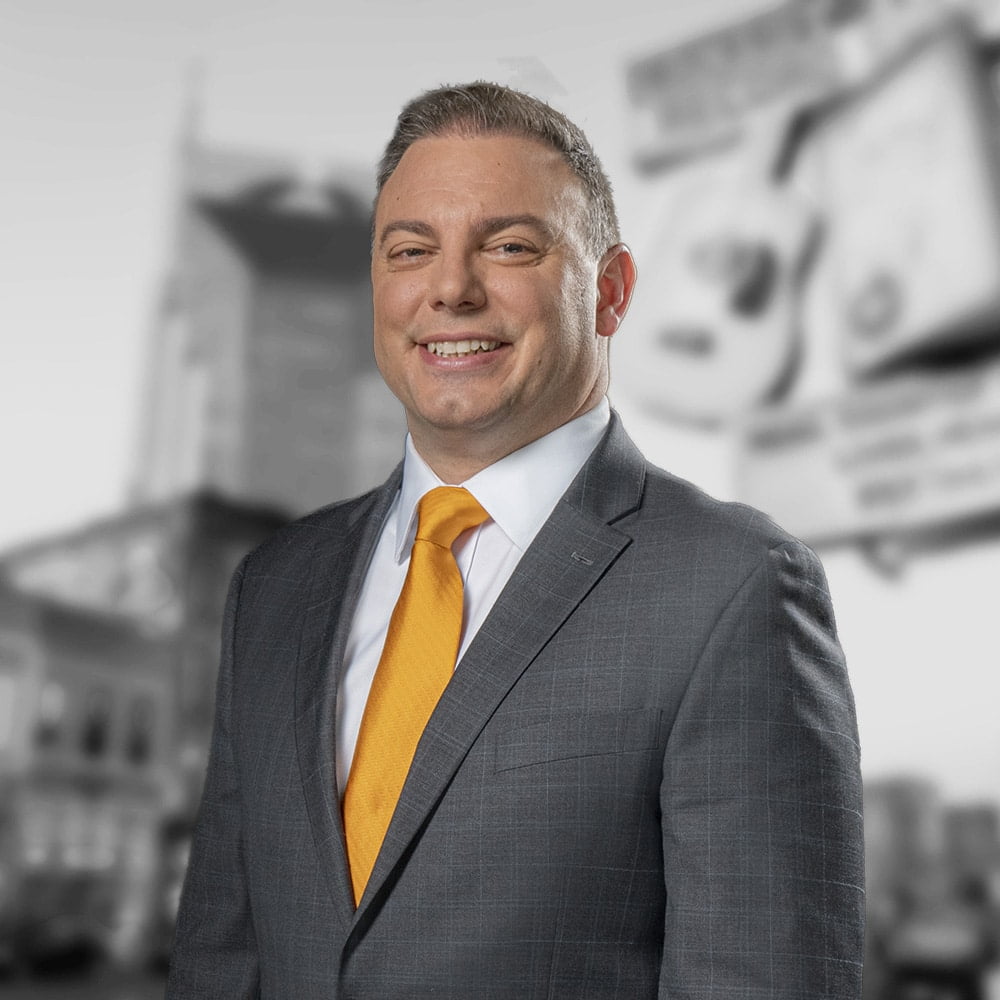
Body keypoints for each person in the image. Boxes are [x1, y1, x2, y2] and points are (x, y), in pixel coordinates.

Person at [166, 82, 864, 999]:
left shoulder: (732, 590)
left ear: (610, 292)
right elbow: (221, 967)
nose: (449, 289)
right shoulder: (274, 589)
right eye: (410, 250)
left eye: (508, 247)